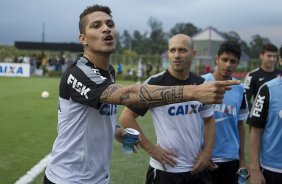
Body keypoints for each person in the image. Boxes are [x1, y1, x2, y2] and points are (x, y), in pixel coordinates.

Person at [44, 5, 239, 184]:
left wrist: (117, 131)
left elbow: (95, 115)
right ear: (83, 39)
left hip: (97, 178)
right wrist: (193, 91)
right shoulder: (78, 71)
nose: (106, 28)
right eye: (96, 25)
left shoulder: (108, 71)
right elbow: (129, 95)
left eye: (110, 24)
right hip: (67, 178)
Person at [119, 34, 216, 184]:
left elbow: (209, 120)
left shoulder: (201, 83)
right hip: (165, 170)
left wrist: (207, 153)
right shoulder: (154, 83)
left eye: (182, 50)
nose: (176, 55)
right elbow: (126, 117)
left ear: (193, 53)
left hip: (196, 168)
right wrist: (152, 149)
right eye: (172, 50)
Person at [202, 41, 249, 184]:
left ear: (237, 63)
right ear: (217, 59)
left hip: (230, 158)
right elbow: (190, 122)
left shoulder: (240, 88)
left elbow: (240, 125)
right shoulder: (201, 83)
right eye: (224, 60)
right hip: (204, 158)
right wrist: (202, 153)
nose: (228, 64)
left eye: (233, 61)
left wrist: (242, 160)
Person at [249, 46, 282, 184]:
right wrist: (255, 169)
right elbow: (255, 131)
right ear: (281, 61)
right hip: (273, 169)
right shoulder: (267, 89)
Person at [244, 43, 281, 126]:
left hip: (277, 119)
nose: (272, 59)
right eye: (269, 56)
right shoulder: (252, 75)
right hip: (259, 120)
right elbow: (246, 98)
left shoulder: (280, 74)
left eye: (274, 56)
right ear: (261, 56)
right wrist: (254, 114)